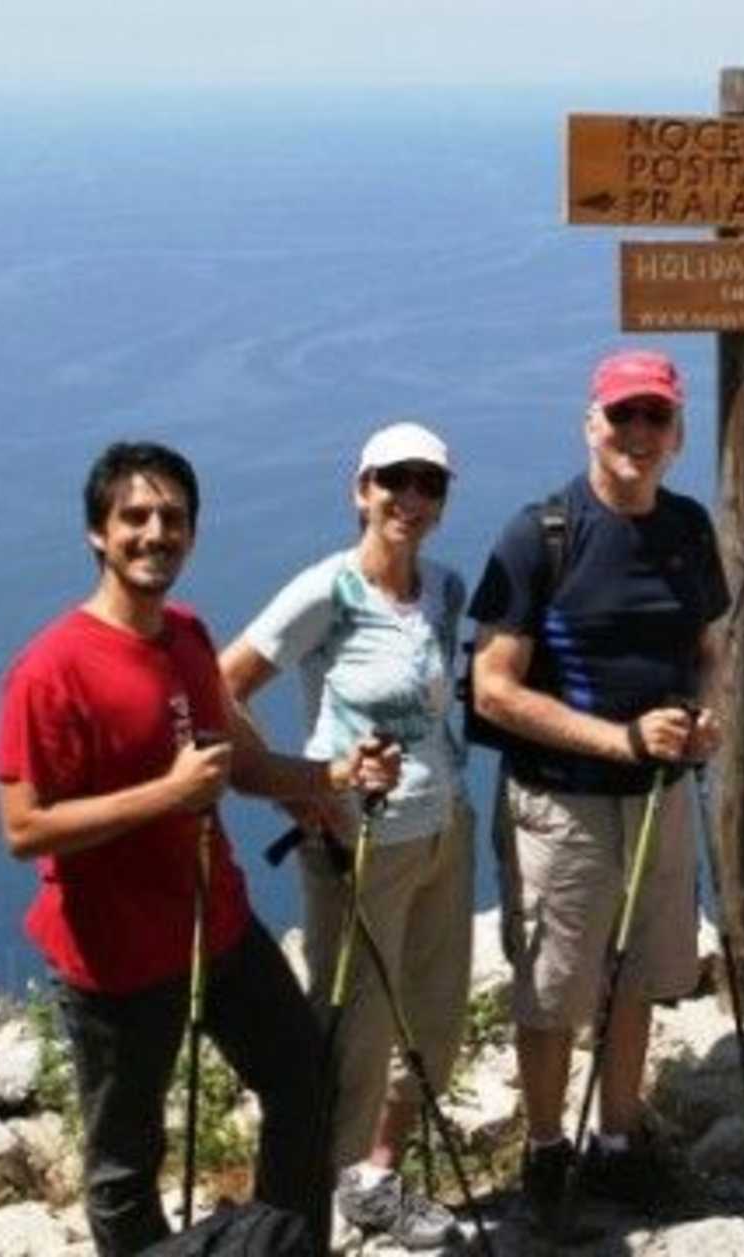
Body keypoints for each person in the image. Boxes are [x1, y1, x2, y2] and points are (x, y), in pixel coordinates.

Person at [0, 442, 397, 1255]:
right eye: (134, 517)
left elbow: (235, 766)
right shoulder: (51, 670)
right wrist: (166, 797)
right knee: (124, 1168)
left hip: (218, 926)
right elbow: (24, 827)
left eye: (172, 518)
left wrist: (332, 774)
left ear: (193, 533)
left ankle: (287, 1247)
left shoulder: (184, 635)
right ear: (97, 536)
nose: (154, 533)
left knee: (301, 1080)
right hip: (115, 960)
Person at [469, 350, 728, 1233]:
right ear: (591, 423)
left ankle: (618, 1144)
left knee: (636, 979)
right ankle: (547, 1152)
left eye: (656, 418)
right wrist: (617, 740)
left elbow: (707, 646)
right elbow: (492, 687)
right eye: (623, 416)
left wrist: (704, 715)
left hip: (659, 792)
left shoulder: (689, 527)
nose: (639, 435)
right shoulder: (540, 533)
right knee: (552, 989)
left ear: (678, 432)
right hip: (562, 801)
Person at [219, 422, 472, 1249]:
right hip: (359, 848)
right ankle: (303, 1223)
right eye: (393, 479)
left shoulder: (444, 587)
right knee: (352, 1043)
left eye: (428, 483)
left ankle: (372, 1180)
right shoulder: (327, 590)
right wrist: (299, 788)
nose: (410, 497)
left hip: (443, 831)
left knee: (434, 1025)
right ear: (360, 488)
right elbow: (222, 686)